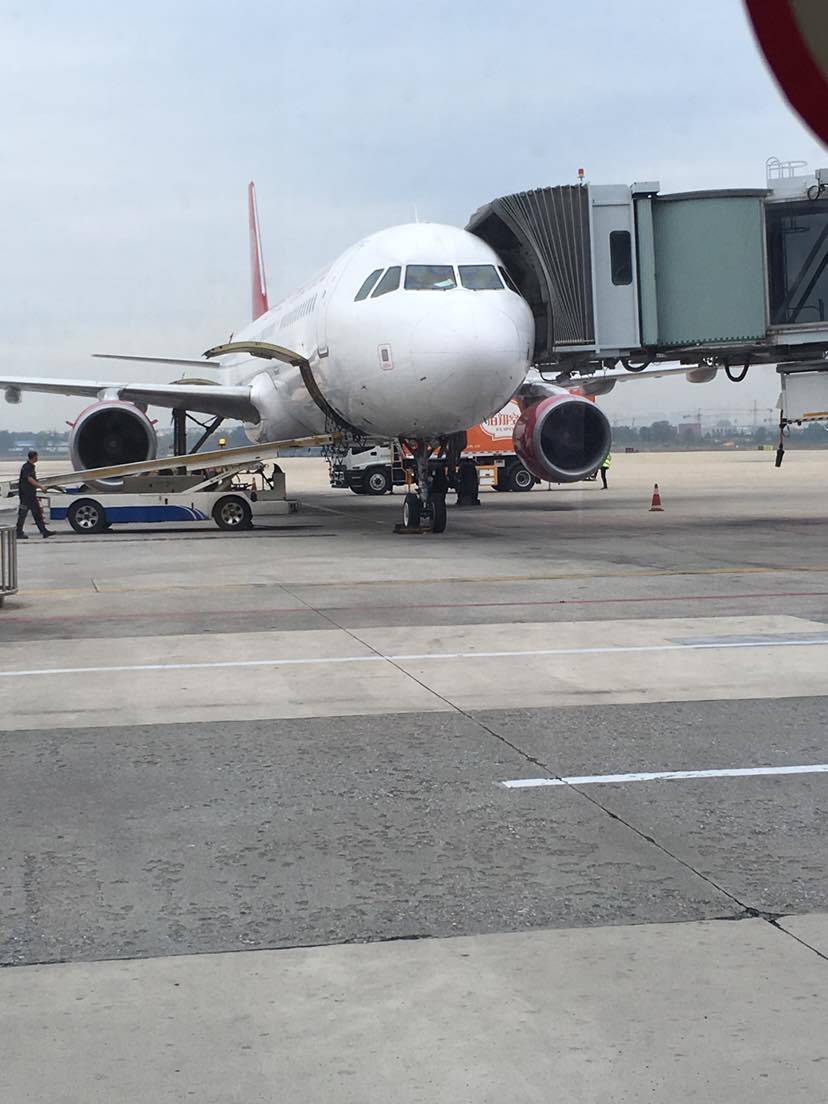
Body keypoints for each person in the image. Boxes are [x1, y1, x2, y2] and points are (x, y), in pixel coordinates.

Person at [16, 450, 54, 539]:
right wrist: (41, 486)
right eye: (37, 456)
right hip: (26, 496)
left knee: (37, 513)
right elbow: (29, 479)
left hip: (31, 495)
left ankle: (44, 531)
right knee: (22, 514)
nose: (38, 458)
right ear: (34, 457)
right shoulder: (27, 467)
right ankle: (18, 532)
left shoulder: (30, 466)